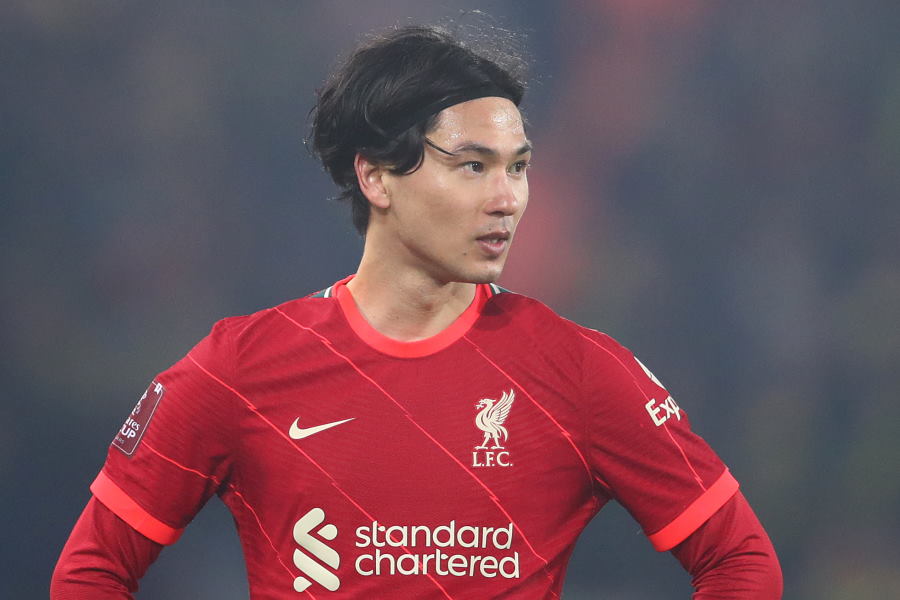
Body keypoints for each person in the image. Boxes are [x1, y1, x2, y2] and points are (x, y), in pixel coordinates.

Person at [51, 23, 782, 599]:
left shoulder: (579, 370)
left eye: (518, 167)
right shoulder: (240, 368)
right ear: (376, 177)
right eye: (473, 166)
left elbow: (741, 561)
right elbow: (91, 572)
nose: (507, 198)